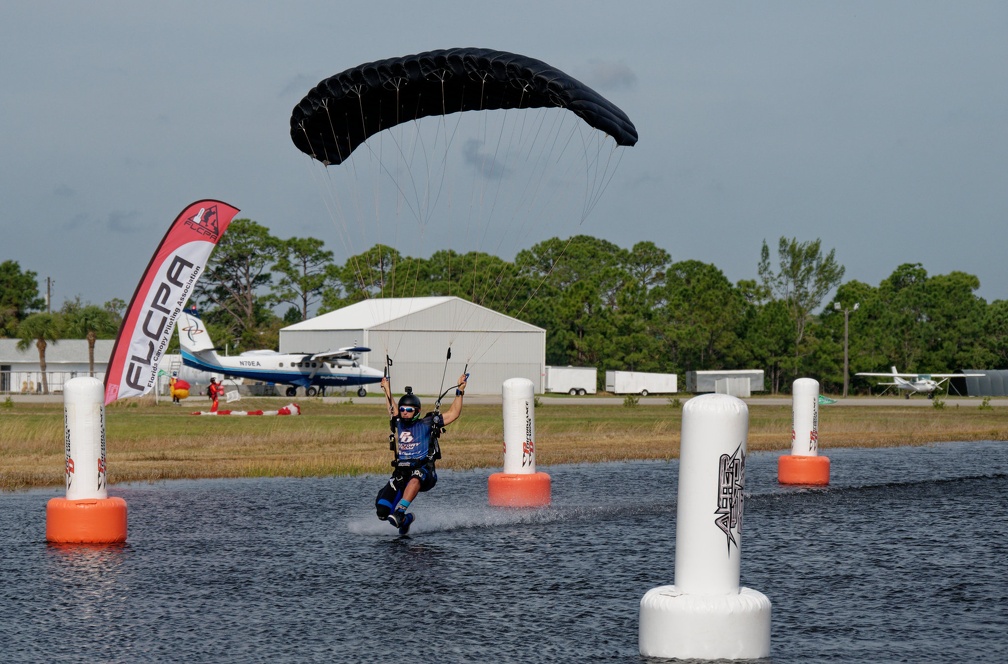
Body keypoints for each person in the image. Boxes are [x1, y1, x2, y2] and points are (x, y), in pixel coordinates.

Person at [376, 372, 468, 536]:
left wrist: (460, 390)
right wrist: (386, 389)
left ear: (416, 411)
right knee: (382, 511)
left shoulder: (427, 423)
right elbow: (392, 408)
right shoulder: (398, 423)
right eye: (403, 410)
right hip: (401, 474)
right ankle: (405, 520)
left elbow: (454, 413)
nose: (404, 413)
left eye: (409, 410)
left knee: (416, 475)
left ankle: (401, 511)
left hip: (424, 473)